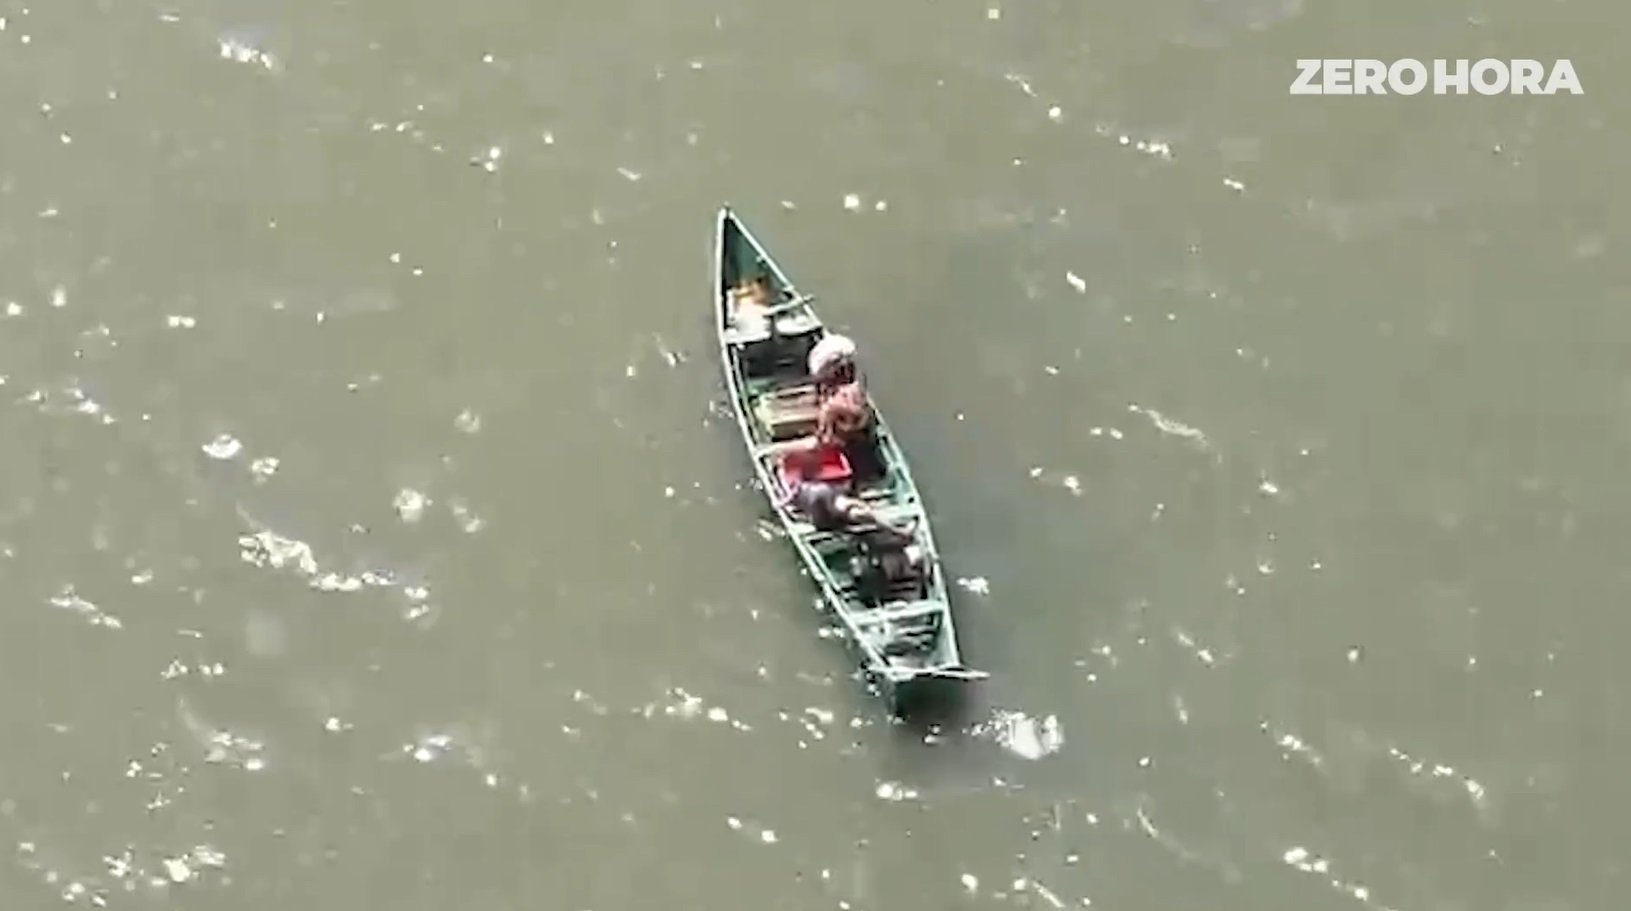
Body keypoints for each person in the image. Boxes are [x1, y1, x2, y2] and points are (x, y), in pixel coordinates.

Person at [775, 476, 916, 539]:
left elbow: (782, 503)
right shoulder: (809, 497)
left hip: (833, 504)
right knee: (867, 516)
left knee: (863, 511)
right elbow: (818, 520)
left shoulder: (806, 489)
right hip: (829, 516)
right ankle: (900, 531)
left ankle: (882, 519)